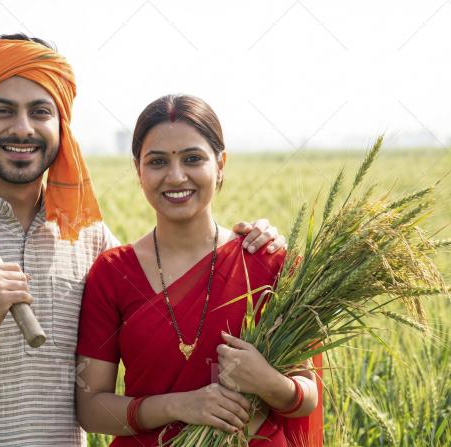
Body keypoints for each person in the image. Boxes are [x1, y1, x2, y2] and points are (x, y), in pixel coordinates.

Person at [0, 34, 285, 446]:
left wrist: (248, 245)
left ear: (62, 125)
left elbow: (177, 299)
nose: (23, 128)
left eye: (40, 112)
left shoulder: (88, 237)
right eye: (2, 111)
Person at [75, 94, 322, 446]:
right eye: (157, 161)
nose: (176, 177)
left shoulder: (269, 262)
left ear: (220, 164)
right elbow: (92, 408)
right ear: (138, 171)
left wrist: (267, 381)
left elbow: (307, 395)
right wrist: (180, 405)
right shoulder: (113, 274)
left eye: (193, 159)